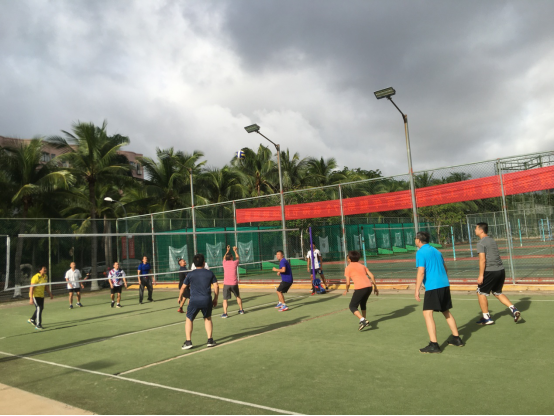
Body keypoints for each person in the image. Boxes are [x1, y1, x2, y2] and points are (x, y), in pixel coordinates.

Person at [415, 232, 464, 354]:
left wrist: (416, 289)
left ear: (418, 240)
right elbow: (445, 268)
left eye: (415, 238)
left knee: (427, 313)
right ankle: (457, 339)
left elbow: (421, 272)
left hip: (433, 286)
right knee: (446, 311)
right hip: (444, 284)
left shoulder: (420, 252)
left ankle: (434, 344)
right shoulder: (437, 251)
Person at [475, 223, 522, 325]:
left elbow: (482, 260)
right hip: (500, 270)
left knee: (480, 292)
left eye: (476, 228)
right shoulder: (492, 240)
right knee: (497, 292)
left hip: (490, 271)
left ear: (481, 230)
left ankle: (487, 318)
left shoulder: (481, 243)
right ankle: (514, 309)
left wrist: (481, 275)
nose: (475, 230)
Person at [179, 254, 219, 350]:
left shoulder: (190, 274)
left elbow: (183, 287)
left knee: (189, 319)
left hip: (194, 300)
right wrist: (215, 298)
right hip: (206, 300)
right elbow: (216, 286)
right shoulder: (210, 273)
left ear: (194, 263)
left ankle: (188, 342)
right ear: (204, 263)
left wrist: (180, 297)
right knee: (207, 318)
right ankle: (210, 340)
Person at [343, 251, 379, 331]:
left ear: (349, 259)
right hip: (369, 287)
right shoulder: (362, 266)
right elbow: (372, 276)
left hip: (360, 288)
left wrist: (346, 290)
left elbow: (348, 283)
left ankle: (362, 320)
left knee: (352, 306)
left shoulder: (348, 268)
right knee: (363, 303)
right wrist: (375, 287)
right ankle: (364, 320)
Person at [221, 246, 245, 318]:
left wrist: (227, 251)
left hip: (226, 284)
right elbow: (237, 258)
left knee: (225, 299)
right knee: (238, 296)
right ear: (231, 257)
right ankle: (241, 310)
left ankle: (225, 313)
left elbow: (224, 258)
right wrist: (235, 250)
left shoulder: (224, 263)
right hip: (234, 283)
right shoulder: (234, 263)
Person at [28, 266, 53, 331]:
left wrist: (50, 293)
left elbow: (46, 286)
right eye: (44, 269)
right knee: (39, 308)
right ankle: (38, 325)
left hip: (41, 295)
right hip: (35, 295)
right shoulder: (35, 277)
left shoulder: (45, 276)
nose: (45, 269)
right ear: (40, 270)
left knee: (40, 308)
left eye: (45, 268)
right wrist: (31, 298)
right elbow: (31, 288)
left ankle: (32, 319)